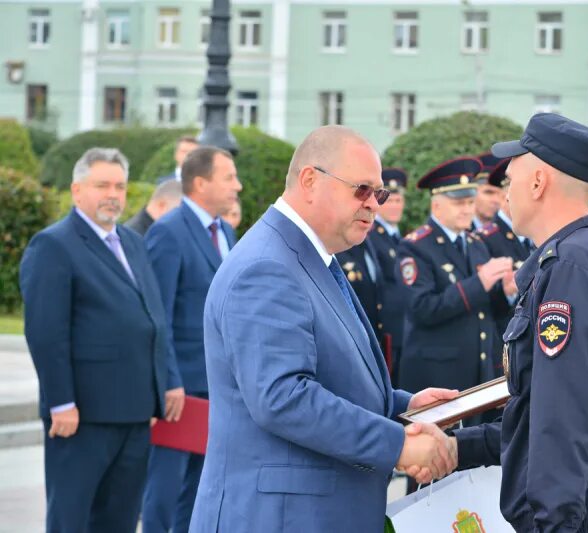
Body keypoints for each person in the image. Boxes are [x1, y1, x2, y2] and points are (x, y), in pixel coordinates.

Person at [189, 126, 457, 532]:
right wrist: (397, 444)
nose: (373, 205)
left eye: (379, 194)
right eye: (361, 190)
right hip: (275, 518)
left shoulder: (311, 256)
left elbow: (331, 378)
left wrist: (403, 407)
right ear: (310, 180)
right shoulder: (268, 266)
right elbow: (282, 397)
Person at [448, 113, 588, 532]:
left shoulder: (571, 268)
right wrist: (459, 447)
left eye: (510, 179)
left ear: (538, 182)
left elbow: (564, 420)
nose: (504, 194)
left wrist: (553, 524)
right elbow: (548, 411)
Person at [19, 148, 181, 533]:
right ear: (77, 190)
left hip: (136, 411)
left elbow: (154, 319)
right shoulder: (54, 245)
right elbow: (46, 333)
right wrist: (61, 402)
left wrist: (168, 378)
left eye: (120, 186)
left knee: (120, 519)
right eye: (102, 185)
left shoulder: (133, 242)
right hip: (82, 416)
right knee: (72, 518)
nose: (113, 194)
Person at [141, 146, 240, 533]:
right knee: (165, 490)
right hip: (180, 390)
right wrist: (168, 381)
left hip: (218, 385)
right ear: (200, 183)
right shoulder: (168, 232)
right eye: (229, 178)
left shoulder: (226, 231)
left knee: (203, 490)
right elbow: (157, 315)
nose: (239, 186)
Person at [396, 157, 514, 396]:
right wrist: (479, 283)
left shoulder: (476, 244)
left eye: (471, 201)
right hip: (437, 374)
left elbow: (488, 309)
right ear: (436, 205)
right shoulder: (416, 247)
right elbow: (422, 308)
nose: (467, 209)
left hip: (478, 370)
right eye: (459, 203)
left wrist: (507, 293)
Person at [476, 158, 533, 336]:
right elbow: (484, 302)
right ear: (505, 195)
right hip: (503, 337)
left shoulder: (533, 233)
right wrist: (507, 292)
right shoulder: (484, 238)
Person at [368, 167, 410, 381]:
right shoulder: (372, 236)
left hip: (404, 327)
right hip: (388, 328)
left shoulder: (401, 237)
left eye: (398, 201)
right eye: (389, 201)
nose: (394, 206)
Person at [471, 152, 504, 230]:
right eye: (489, 192)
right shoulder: (459, 231)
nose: (497, 200)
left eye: (502, 195)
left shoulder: (512, 230)